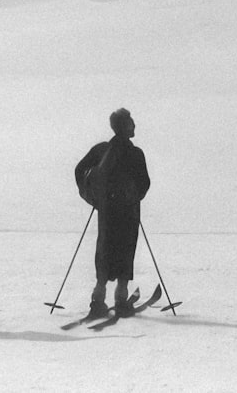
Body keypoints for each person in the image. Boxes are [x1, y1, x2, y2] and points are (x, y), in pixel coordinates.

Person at [74, 108, 150, 318]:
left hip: (108, 211)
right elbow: (144, 183)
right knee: (125, 251)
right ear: (124, 126)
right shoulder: (135, 154)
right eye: (131, 122)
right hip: (127, 212)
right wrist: (133, 195)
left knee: (105, 251)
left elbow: (80, 170)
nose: (134, 126)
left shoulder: (102, 150)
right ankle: (121, 299)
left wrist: (94, 197)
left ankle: (97, 299)